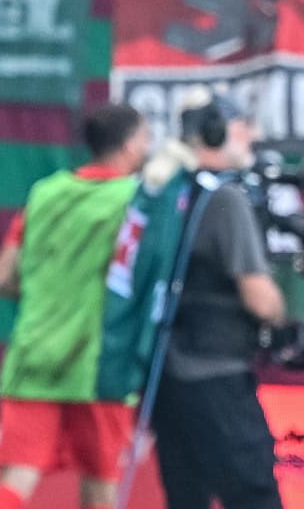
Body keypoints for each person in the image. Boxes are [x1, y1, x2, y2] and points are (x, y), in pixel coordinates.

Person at [0, 104, 150, 509]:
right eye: (146, 138)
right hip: (100, 367)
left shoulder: (45, 192)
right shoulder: (137, 200)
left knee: (16, 483)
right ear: (130, 145)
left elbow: (1, 279)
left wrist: (50, 291)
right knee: (100, 487)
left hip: (33, 358)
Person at [149, 86, 285, 509]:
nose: (250, 135)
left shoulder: (166, 194)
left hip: (166, 378)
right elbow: (261, 299)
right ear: (214, 132)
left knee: (185, 497)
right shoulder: (225, 200)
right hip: (216, 377)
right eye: (241, 126)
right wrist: (282, 314)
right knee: (254, 495)